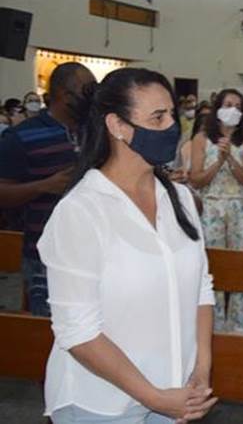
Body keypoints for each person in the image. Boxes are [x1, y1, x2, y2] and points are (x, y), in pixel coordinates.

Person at [38, 68, 216, 423]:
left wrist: (202, 365)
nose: (171, 127)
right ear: (118, 126)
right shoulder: (82, 210)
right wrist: (152, 397)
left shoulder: (178, 198)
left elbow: (201, 288)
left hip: (174, 391)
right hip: (101, 401)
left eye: (172, 115)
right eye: (158, 117)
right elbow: (78, 331)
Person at [0, 62, 97, 316]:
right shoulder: (21, 137)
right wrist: (45, 185)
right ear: (65, 95)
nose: (93, 97)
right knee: (50, 338)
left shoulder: (96, 132)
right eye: (88, 90)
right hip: (46, 257)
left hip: (96, 251)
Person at [190, 89, 243, 332]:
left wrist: (230, 158)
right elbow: (196, 179)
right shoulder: (201, 139)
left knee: (239, 263)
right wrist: (218, 160)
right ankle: (213, 323)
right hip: (211, 205)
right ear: (218, 108)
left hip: (240, 205)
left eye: (238, 106)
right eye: (228, 104)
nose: (233, 110)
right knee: (213, 265)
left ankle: (240, 324)